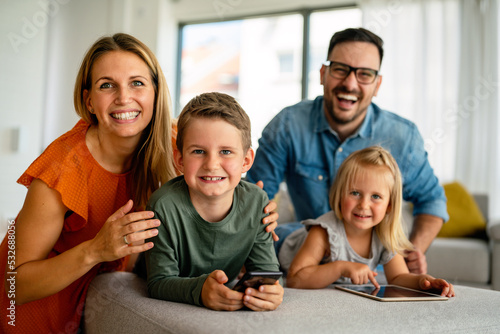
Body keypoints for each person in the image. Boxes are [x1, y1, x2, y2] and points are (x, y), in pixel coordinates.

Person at [0, 34, 278, 333]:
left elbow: (220, 172)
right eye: (107, 85)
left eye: (137, 83)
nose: (123, 97)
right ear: (89, 101)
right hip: (33, 310)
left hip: (103, 296)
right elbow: (15, 286)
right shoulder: (63, 167)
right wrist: (95, 250)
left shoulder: (176, 141)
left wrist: (255, 212)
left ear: (155, 93)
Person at [246, 27, 448, 274]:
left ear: (377, 84)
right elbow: (255, 197)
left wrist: (413, 250)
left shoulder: (402, 137)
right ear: (323, 73)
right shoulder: (287, 126)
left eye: (365, 74)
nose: (350, 84)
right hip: (308, 262)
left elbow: (433, 201)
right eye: (341, 69)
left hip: (374, 274)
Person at [145, 92, 284, 311]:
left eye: (226, 152)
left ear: (246, 161)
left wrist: (271, 292)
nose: (211, 164)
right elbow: (158, 282)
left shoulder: (257, 202)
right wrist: (200, 291)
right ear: (179, 159)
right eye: (198, 151)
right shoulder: (163, 206)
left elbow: (266, 272)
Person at [284, 146, 455, 298]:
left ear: (389, 205)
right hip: (285, 243)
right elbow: (295, 279)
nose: (364, 205)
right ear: (339, 194)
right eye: (355, 193)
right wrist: (340, 268)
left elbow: (397, 277)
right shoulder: (323, 231)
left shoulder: (383, 234)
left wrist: (423, 282)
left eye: (375, 196)